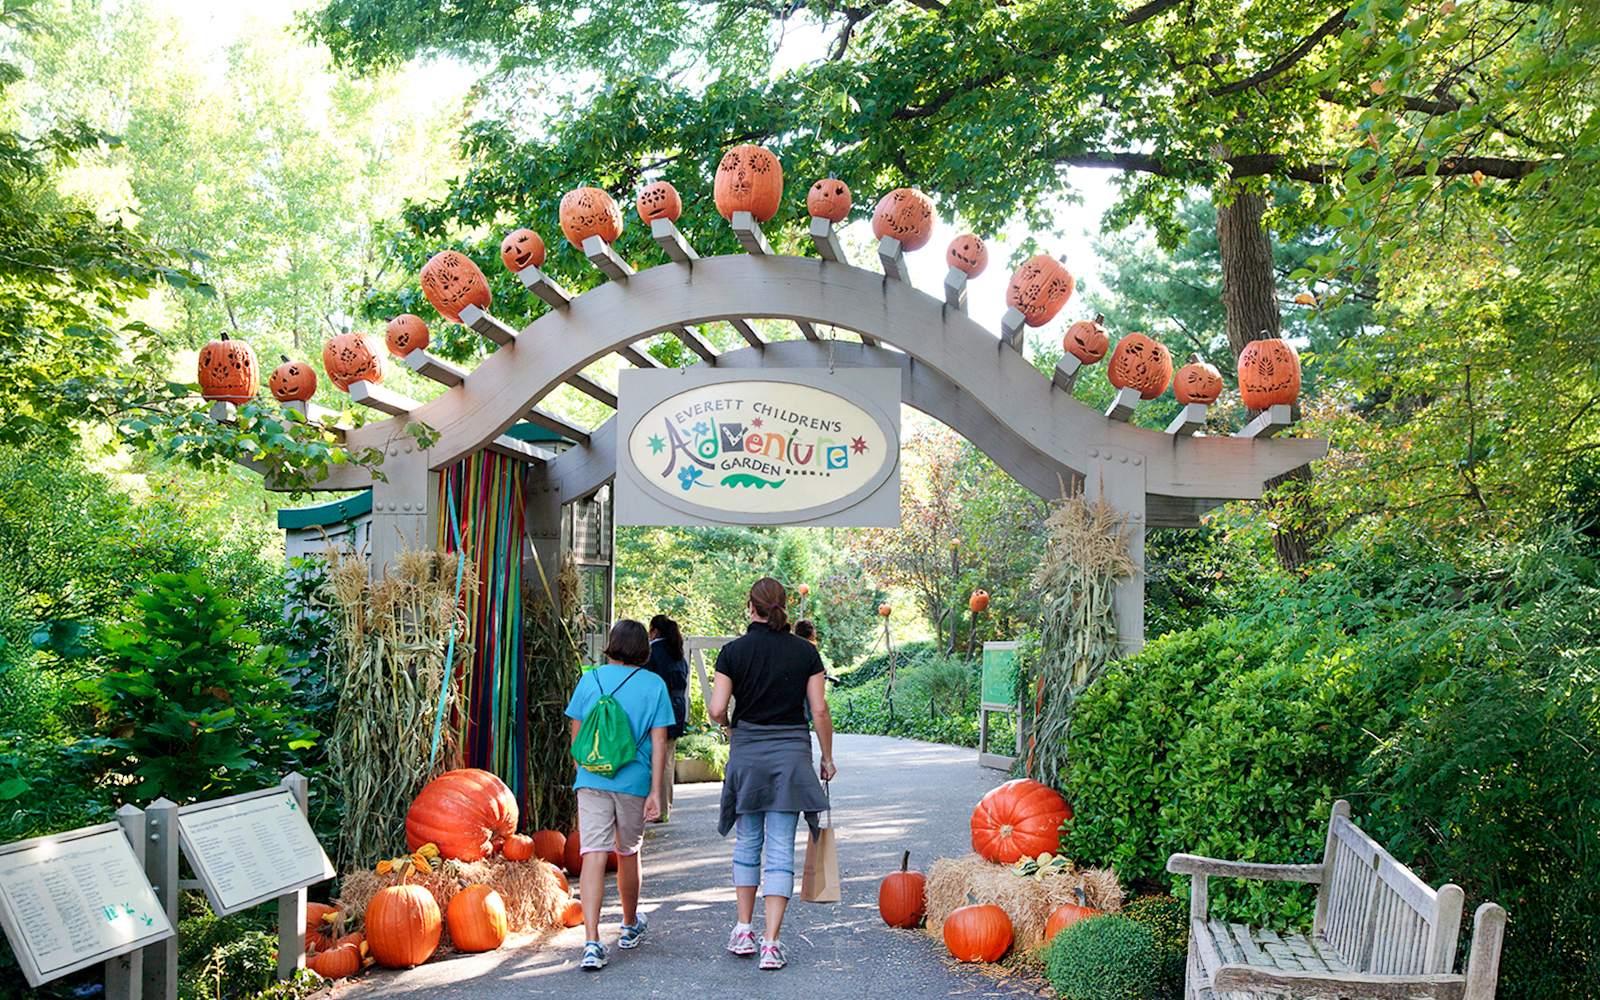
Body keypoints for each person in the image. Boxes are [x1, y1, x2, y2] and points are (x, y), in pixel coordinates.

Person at [709, 578, 836, 971]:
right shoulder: (806, 652)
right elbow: (819, 711)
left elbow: (716, 709)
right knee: (781, 849)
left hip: (747, 754)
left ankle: (744, 930)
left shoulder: (733, 652)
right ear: (783, 607)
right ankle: (770, 943)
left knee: (748, 843)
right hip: (791, 757)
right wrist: (827, 759)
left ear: (750, 607)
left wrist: (730, 726)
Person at [563, 619, 675, 971]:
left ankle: (592, 942)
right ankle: (628, 928)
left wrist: (590, 769)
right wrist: (656, 791)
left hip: (592, 778)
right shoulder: (653, 684)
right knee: (628, 851)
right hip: (634, 780)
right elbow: (660, 742)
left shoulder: (589, 679)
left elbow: (575, 739)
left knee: (593, 854)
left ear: (610, 644)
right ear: (643, 648)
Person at [643, 614, 689, 822]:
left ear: (654, 631)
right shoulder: (678, 654)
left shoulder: (650, 654)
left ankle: (650, 808)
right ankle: (664, 809)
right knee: (668, 758)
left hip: (656, 710)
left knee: (651, 758)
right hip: (677, 709)